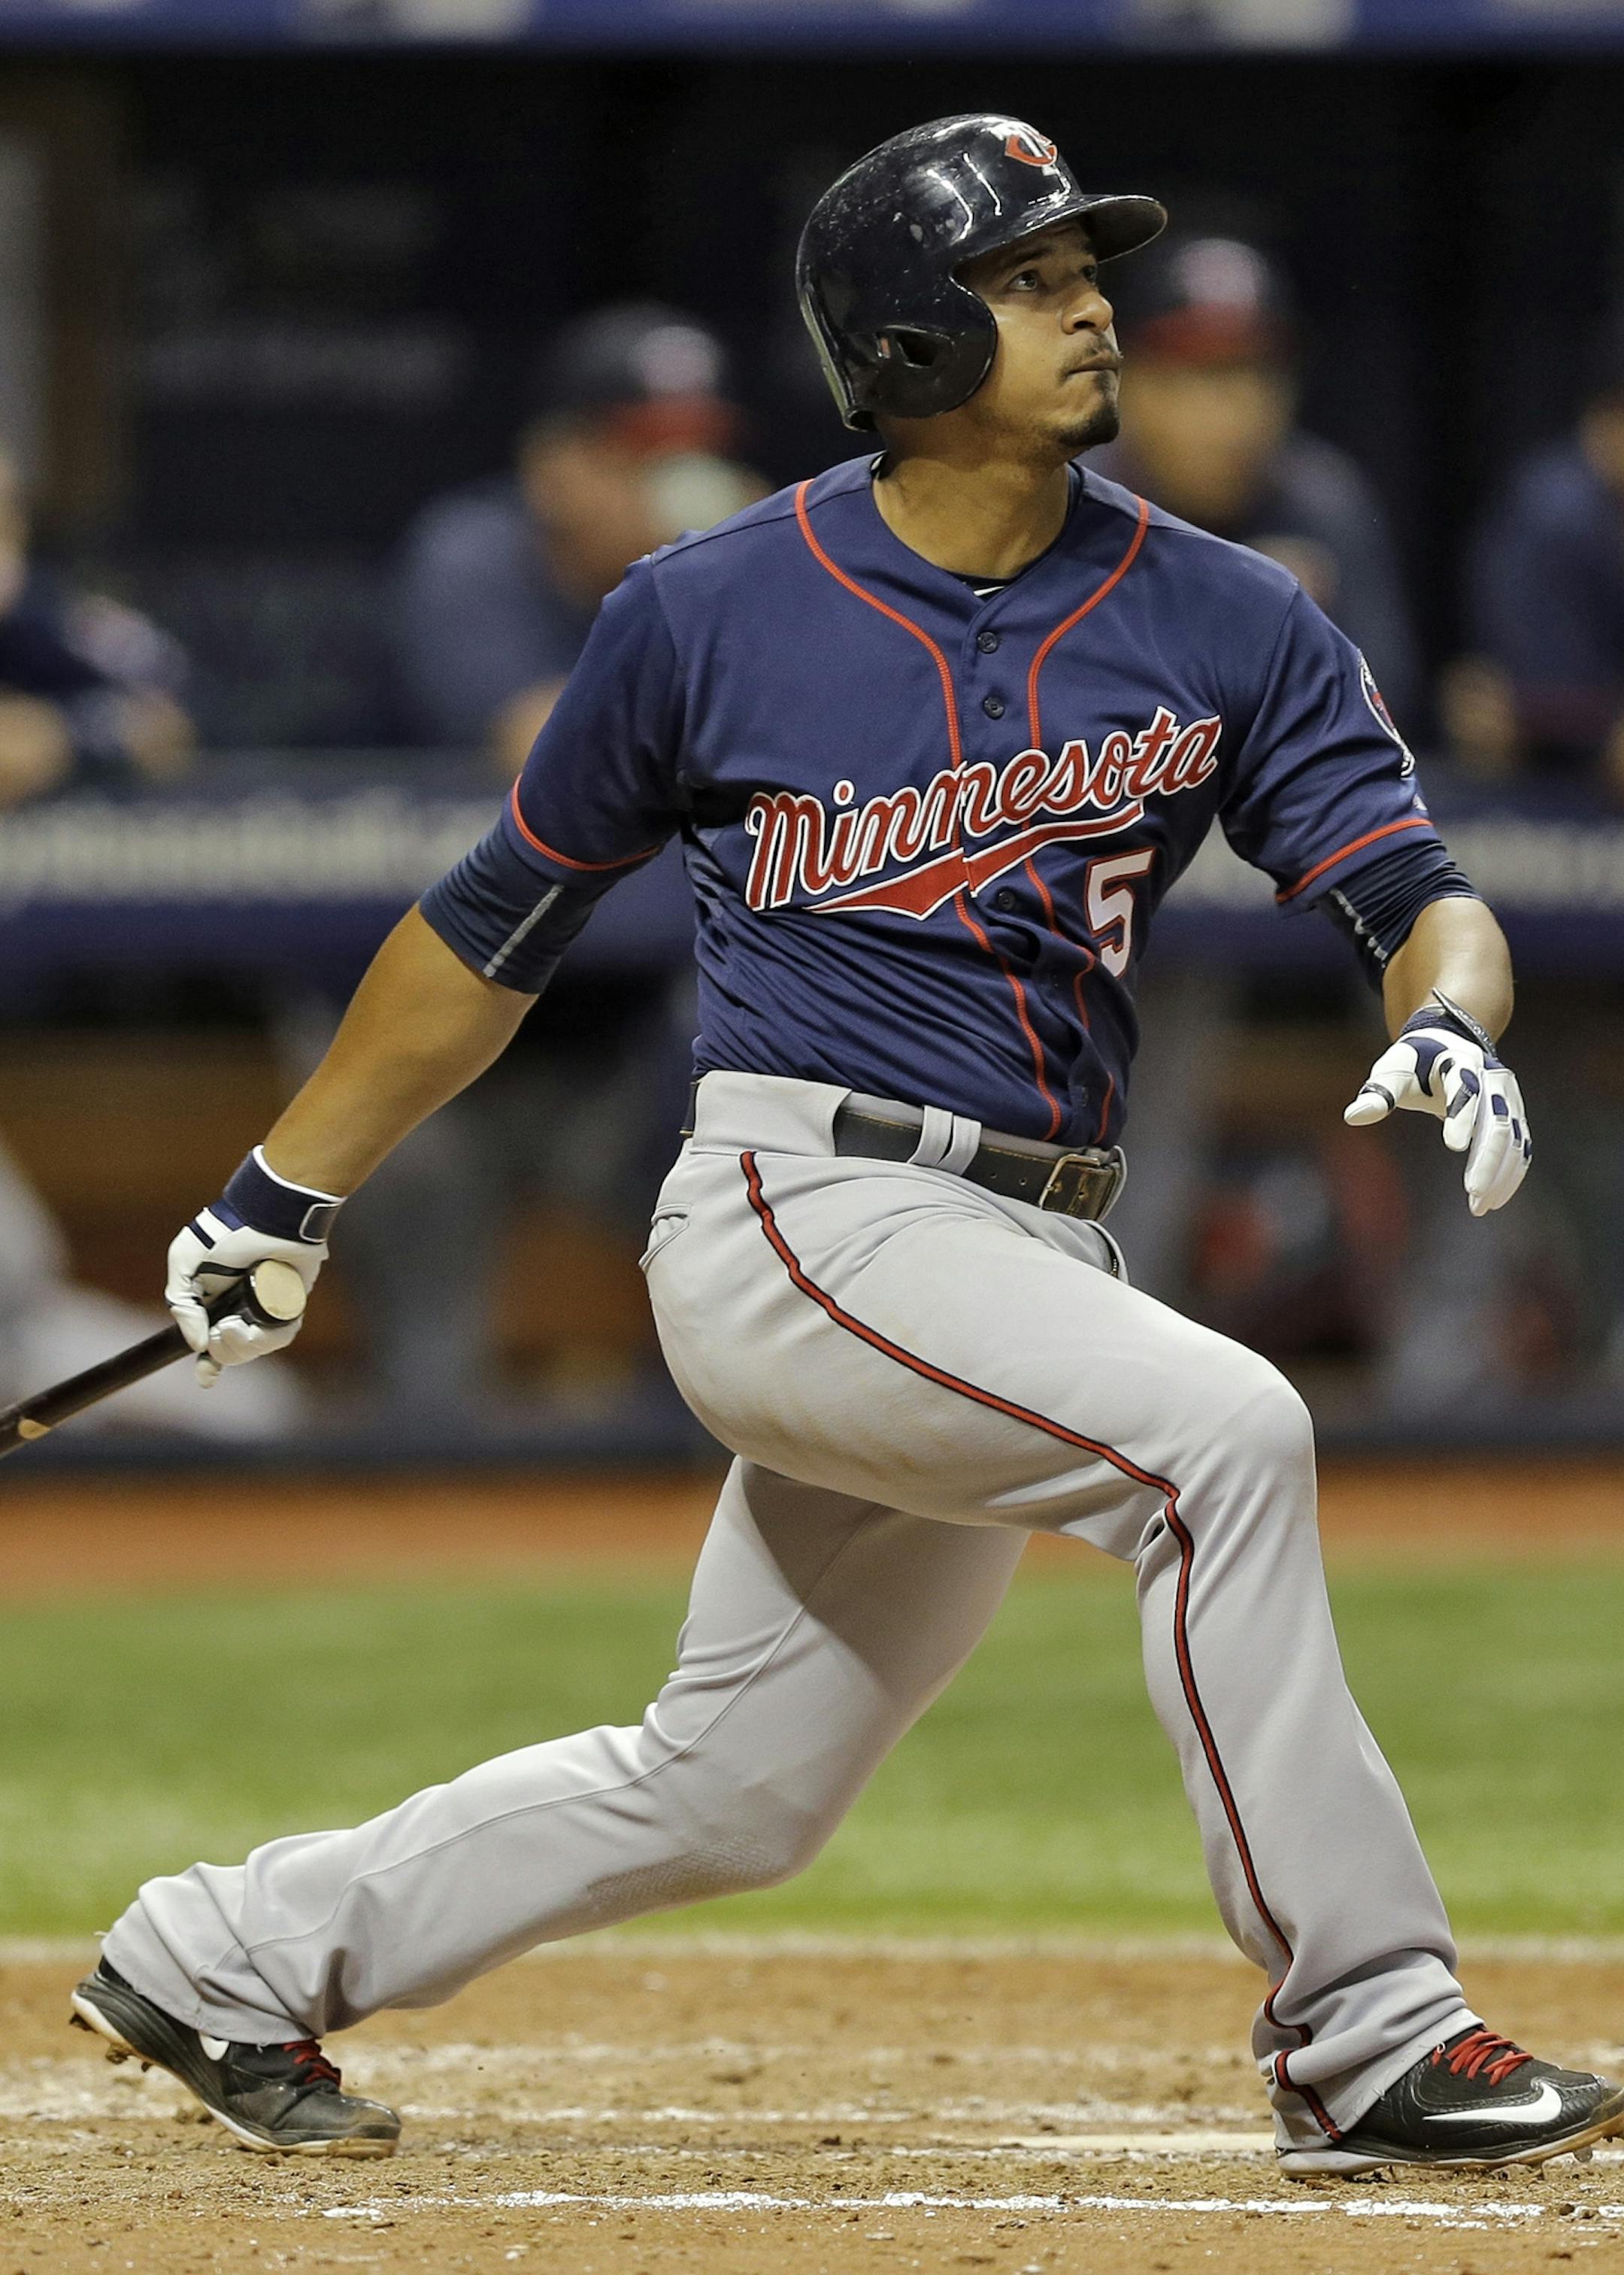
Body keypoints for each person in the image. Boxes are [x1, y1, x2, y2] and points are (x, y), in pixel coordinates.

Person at [73, 117, 1619, 2179]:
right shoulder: (711, 607)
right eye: (1036, 278)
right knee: (1226, 1439)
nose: (1095, 309)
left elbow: (1419, 885)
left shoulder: (1228, 612)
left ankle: (226, 1952)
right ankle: (1370, 2025)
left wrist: (1446, 1010)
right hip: (800, 1212)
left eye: (1092, 272)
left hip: (1024, 1256)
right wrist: (281, 1190)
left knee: (736, 1785)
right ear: (904, 336)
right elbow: (489, 928)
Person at [395, 300, 762, 772]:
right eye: (643, 451)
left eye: (699, 454)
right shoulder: (471, 553)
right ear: (553, 464)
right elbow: (540, 749)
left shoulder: (748, 562)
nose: (680, 483)